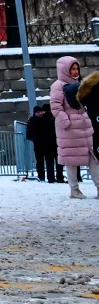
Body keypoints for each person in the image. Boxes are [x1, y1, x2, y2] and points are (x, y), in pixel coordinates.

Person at [51, 56, 99, 199]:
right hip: (70, 129)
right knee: (71, 160)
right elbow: (55, 107)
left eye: (76, 68)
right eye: (72, 69)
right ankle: (74, 189)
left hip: (85, 126)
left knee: (94, 157)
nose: (75, 71)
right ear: (64, 69)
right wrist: (67, 122)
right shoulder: (58, 86)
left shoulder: (81, 84)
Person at [26, 104, 59, 183]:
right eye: (38, 112)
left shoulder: (33, 120)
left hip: (45, 144)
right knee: (40, 161)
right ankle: (42, 177)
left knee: (46, 161)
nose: (40, 113)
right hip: (39, 144)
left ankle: (48, 177)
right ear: (35, 113)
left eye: (41, 111)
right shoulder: (32, 121)